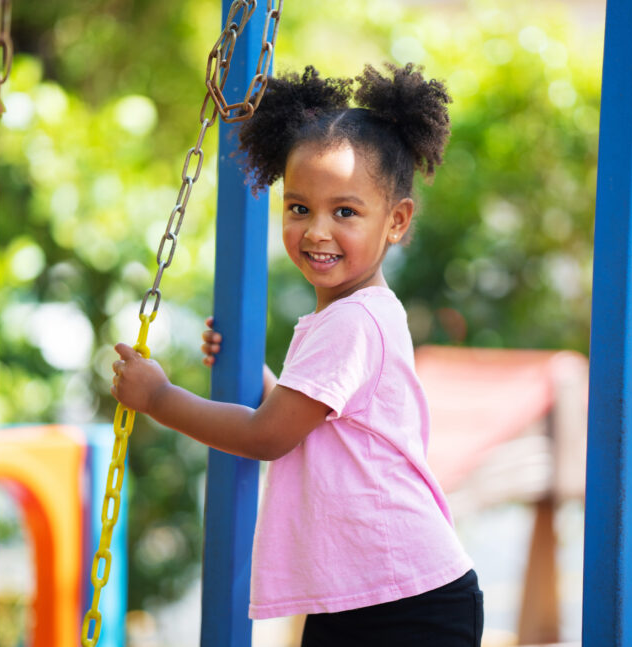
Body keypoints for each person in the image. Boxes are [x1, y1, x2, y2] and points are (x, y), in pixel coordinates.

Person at [112, 63, 483, 646]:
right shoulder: (347, 317)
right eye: (299, 207)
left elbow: (268, 437)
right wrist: (258, 379)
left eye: (346, 212)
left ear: (398, 221)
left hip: (402, 595)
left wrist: (159, 398)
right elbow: (315, 424)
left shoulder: (354, 320)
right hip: (368, 590)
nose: (316, 231)